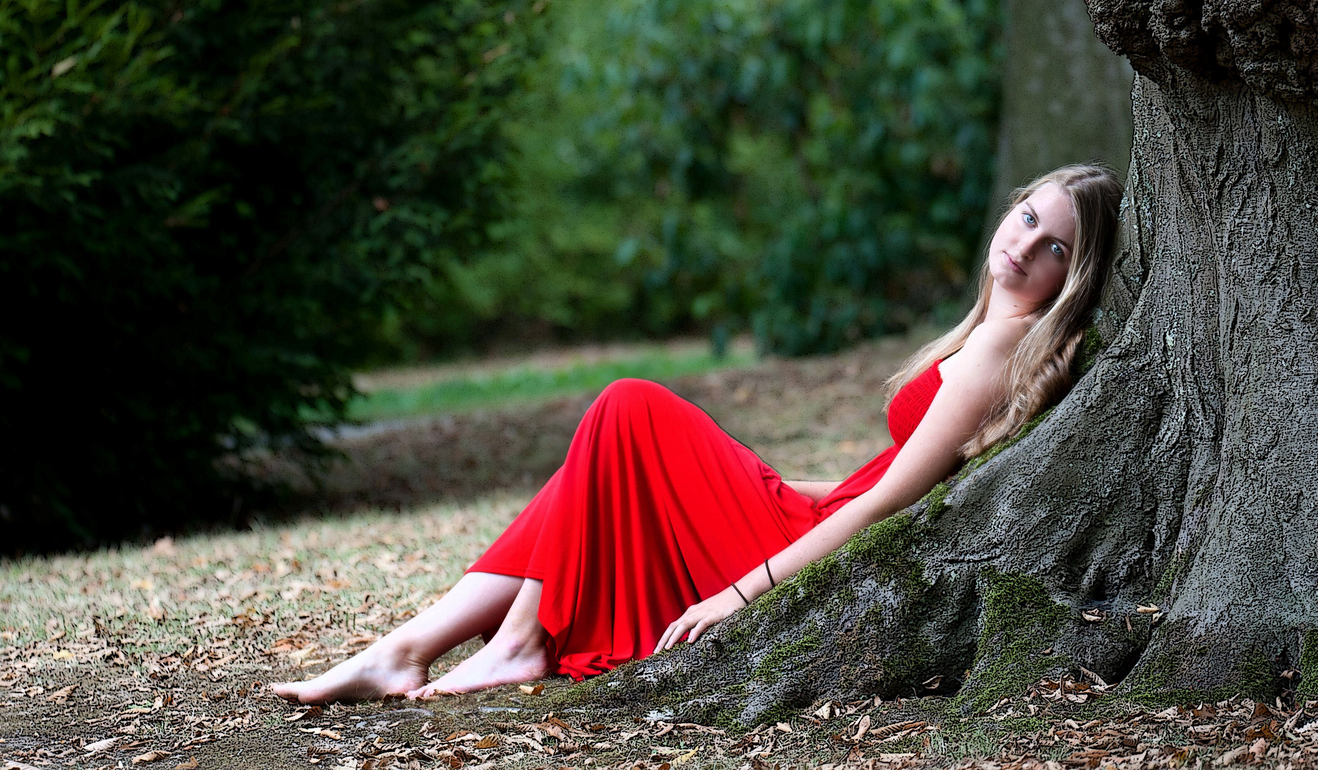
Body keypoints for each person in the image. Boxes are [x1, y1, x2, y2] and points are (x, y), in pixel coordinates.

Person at [272, 165, 1122, 704]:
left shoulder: (998, 355)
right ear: (1008, 212)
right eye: (1026, 221)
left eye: (1053, 248)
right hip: (806, 512)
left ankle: (510, 640)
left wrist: (739, 593)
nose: (1024, 247)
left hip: (800, 550)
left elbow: (886, 510)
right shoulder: (986, 334)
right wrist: (791, 487)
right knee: (595, 465)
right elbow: (886, 476)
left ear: (1071, 276)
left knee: (627, 407)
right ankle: (414, 646)